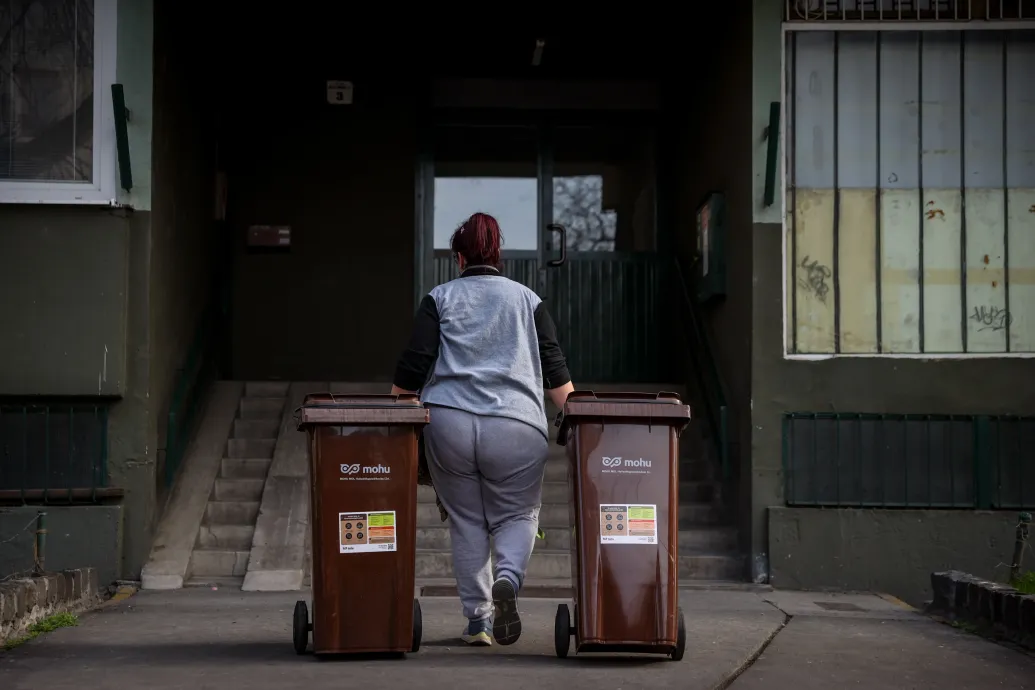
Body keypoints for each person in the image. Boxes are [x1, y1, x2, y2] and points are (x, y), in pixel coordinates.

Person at [391, 212, 575, 647]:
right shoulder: (528, 300)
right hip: (516, 425)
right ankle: (508, 579)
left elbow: (415, 361)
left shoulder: (440, 298)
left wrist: (395, 408)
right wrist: (579, 414)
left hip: (449, 423)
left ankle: (478, 622)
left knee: (467, 521)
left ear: (459, 258)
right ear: (499, 255)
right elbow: (553, 368)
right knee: (517, 514)